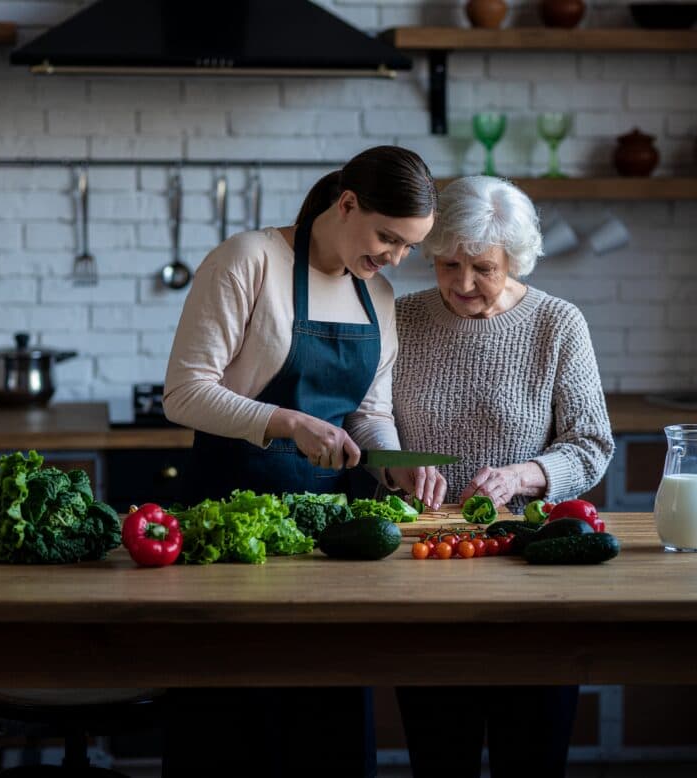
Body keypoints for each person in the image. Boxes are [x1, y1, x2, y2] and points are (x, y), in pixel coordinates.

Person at [161, 145, 446, 777]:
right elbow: (183, 392)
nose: (394, 258)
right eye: (387, 238)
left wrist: (394, 460)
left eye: (408, 247)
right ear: (346, 204)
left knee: (326, 711)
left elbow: (368, 413)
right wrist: (287, 422)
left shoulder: (381, 297)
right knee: (234, 720)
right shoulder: (249, 261)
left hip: (329, 534)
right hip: (228, 523)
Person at [391, 175, 615, 778]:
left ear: (515, 259)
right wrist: (398, 469)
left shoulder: (557, 325)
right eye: (447, 264)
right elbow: (369, 424)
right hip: (427, 565)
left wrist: (524, 476)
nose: (463, 283)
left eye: (483, 267)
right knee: (439, 758)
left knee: (532, 756)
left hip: (531, 566)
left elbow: (591, 445)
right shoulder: (398, 319)